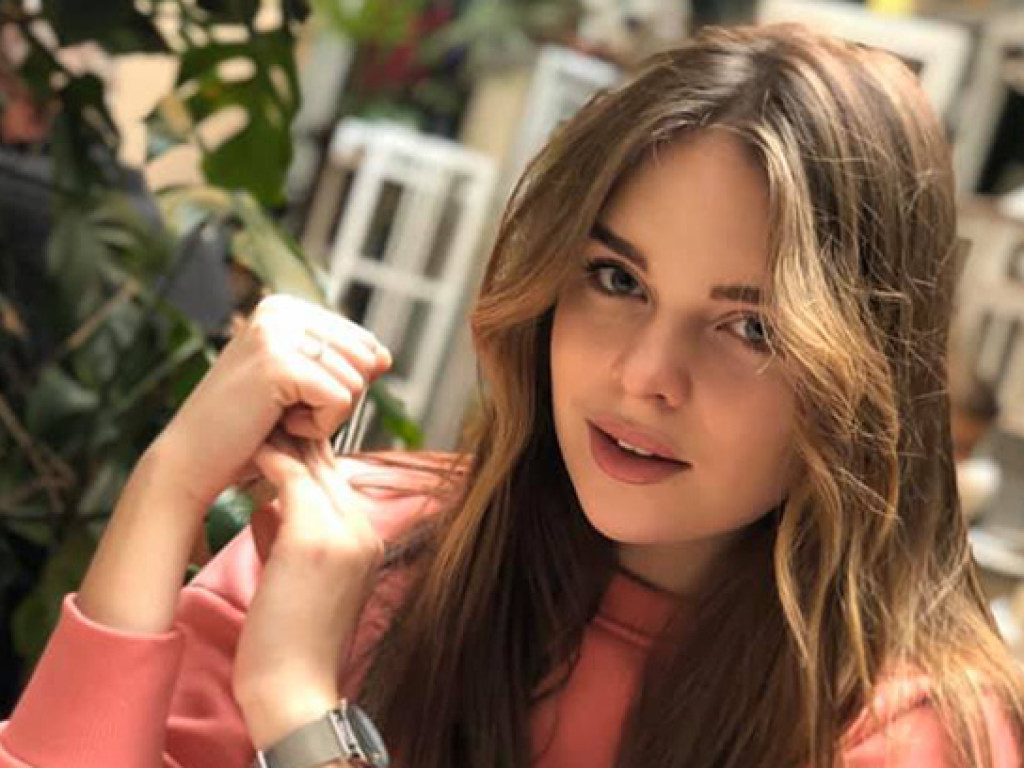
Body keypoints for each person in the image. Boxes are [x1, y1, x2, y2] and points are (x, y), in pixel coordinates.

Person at [2, 23, 1023, 768]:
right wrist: (169, 485)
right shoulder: (350, 553)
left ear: (866, 375)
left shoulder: (914, 731)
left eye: (751, 327)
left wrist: (303, 717)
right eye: (616, 279)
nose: (644, 374)